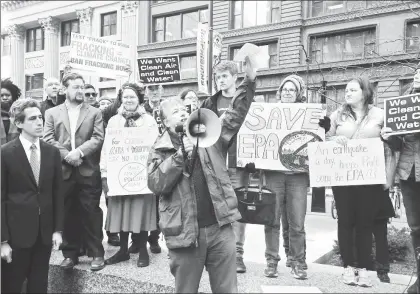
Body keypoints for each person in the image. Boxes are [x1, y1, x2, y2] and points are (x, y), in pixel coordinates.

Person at [147, 56, 256, 293]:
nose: (183, 114)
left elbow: (234, 116)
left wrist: (249, 80)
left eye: (184, 110)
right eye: (175, 112)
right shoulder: (160, 148)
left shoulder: (209, 136)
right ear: (165, 122)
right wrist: (179, 157)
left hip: (220, 230)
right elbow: (155, 184)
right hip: (185, 235)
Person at [43, 73, 106, 271]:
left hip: (87, 169)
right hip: (64, 171)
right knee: (66, 212)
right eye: (75, 87)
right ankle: (70, 254)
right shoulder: (52, 113)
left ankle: (97, 253)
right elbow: (47, 138)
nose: (80, 91)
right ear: (65, 89)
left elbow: (97, 138)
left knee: (91, 212)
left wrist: (79, 152)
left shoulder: (94, 112)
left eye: (82, 87)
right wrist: (67, 155)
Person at [327, 76, 385, 287]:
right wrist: (335, 139)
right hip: (343, 178)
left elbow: (392, 140)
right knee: (345, 221)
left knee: (365, 223)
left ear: (364, 92)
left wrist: (387, 135)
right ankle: (348, 268)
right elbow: (323, 138)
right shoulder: (337, 115)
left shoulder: (380, 114)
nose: (347, 93)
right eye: (346, 90)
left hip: (370, 178)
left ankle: (364, 269)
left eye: (352, 89)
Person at [1, 98, 64, 293]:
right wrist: (2, 241)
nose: (39, 122)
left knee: (39, 286)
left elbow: (58, 193)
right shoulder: (5, 153)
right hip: (15, 236)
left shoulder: (52, 152)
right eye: (32, 118)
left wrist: (57, 230)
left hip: (44, 235)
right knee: (11, 286)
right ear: (18, 123)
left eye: (40, 117)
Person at [101, 82, 159, 267]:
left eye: (132, 96)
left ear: (139, 99)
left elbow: (155, 146)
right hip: (120, 175)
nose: (128, 100)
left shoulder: (148, 120)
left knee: (141, 212)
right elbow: (107, 148)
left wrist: (152, 169)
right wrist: (105, 172)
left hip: (141, 175)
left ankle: (142, 250)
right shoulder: (113, 121)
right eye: (125, 97)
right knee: (122, 211)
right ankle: (123, 250)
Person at [381, 63, 420, 293]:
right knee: (416, 228)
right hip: (408, 174)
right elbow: (399, 144)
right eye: (417, 72)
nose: (419, 76)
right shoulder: (401, 104)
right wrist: (389, 137)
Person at [1, 78, 21, 145]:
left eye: (7, 95)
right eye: (1, 95)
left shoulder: (19, 114)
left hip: (15, 151)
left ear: (13, 96)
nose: (4, 98)